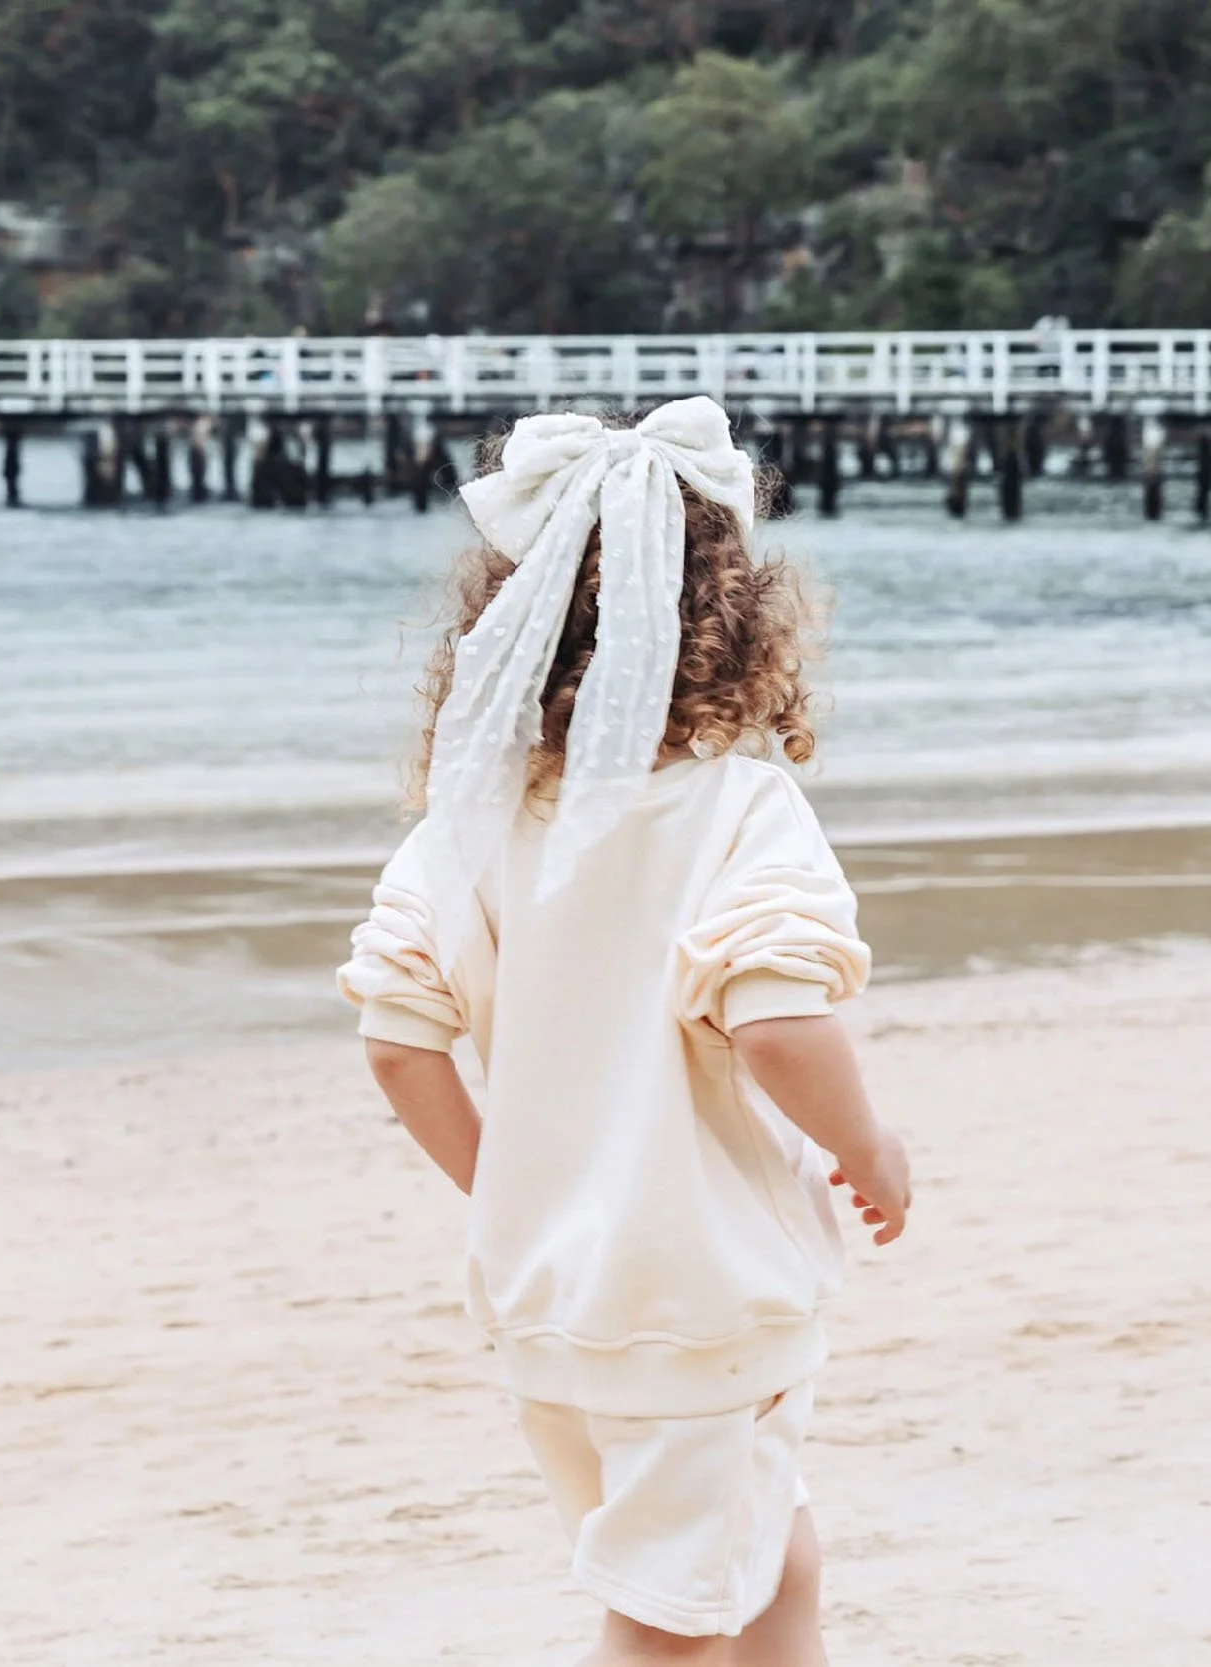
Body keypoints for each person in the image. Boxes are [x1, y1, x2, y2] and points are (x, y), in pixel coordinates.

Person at [339, 397, 913, 1665]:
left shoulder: (466, 832)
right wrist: (867, 1147)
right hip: (702, 1295)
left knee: (768, 1558)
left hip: (550, 1296)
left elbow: (396, 1037)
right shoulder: (738, 812)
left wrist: (512, 1182)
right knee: (665, 1620)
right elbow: (776, 1024)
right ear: (734, 627)